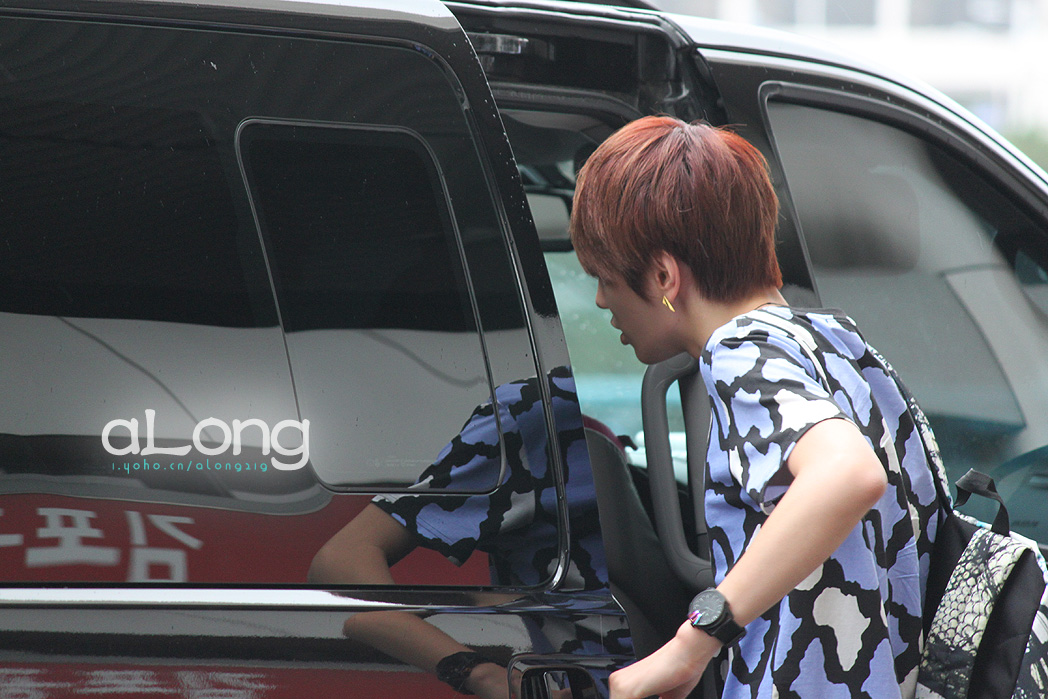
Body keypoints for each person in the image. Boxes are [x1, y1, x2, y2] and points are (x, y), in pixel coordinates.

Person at [569, 116, 940, 699]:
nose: (598, 299)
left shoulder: (740, 353)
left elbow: (847, 474)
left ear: (663, 275)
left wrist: (691, 645)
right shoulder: (836, 342)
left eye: (604, 278)